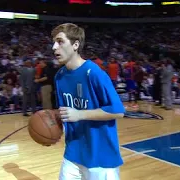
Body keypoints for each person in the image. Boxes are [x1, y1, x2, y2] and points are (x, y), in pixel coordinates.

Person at [52, 23, 126, 180]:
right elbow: (66, 113)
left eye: (60, 41)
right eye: (53, 42)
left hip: (100, 156)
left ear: (75, 45)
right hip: (73, 152)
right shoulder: (59, 77)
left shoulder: (93, 73)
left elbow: (118, 111)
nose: (54, 47)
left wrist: (80, 114)